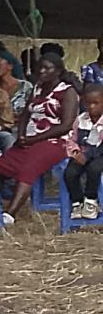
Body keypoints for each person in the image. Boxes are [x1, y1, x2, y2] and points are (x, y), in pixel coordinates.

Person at [0, 53, 78, 223]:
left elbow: (65, 125)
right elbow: (25, 115)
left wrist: (35, 139)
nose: (42, 71)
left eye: (48, 68)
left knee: (28, 169)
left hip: (56, 141)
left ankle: (10, 215)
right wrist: (22, 135)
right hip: (30, 140)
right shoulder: (37, 88)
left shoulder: (67, 91)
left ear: (58, 71)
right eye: (40, 67)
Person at [64, 83, 103, 220]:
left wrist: (87, 155)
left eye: (96, 103)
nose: (91, 107)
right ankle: (77, 202)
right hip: (83, 153)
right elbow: (71, 138)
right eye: (88, 103)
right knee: (70, 173)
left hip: (100, 154)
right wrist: (75, 152)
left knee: (94, 169)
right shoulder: (81, 120)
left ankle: (91, 201)